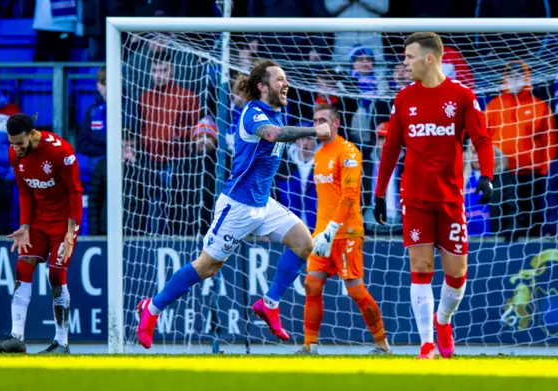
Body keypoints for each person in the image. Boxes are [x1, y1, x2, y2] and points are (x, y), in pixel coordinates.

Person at [135, 59, 331, 349]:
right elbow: (274, 135)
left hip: (263, 204)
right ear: (263, 87)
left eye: (285, 78)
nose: (286, 83)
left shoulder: (276, 112)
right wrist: (314, 130)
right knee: (206, 267)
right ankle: (151, 309)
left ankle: (269, 304)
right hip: (237, 205)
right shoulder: (254, 113)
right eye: (279, 79)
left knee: (304, 243)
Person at [373, 32, 494, 359]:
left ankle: (443, 321)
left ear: (430, 59)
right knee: (421, 266)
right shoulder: (403, 98)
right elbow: (390, 148)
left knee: (456, 274)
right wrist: (379, 191)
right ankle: (426, 343)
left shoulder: (462, 96)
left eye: (409, 57)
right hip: (414, 197)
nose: (404, 63)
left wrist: (487, 176)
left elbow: (482, 139)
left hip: (451, 197)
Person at [297, 104, 389, 355]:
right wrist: (321, 231)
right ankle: (309, 345)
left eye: (323, 120)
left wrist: (332, 229)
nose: (318, 125)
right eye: (315, 120)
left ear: (336, 123)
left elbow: (350, 196)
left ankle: (381, 344)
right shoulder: (319, 154)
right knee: (312, 285)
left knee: (355, 289)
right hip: (322, 235)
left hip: (346, 233)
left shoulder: (348, 151)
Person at [0, 114, 83, 354]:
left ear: (32, 134)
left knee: (56, 275)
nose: (15, 148)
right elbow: (25, 192)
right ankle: (17, 338)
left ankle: (62, 343)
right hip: (39, 222)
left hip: (63, 223)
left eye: (19, 143)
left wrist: (71, 232)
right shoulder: (14, 154)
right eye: (11, 143)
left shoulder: (61, 152)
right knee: (23, 268)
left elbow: (75, 192)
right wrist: (24, 226)